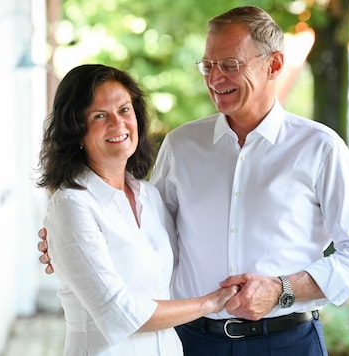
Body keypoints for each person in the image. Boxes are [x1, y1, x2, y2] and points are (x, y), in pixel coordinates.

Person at [38, 6, 349, 355]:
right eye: (208, 66)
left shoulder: (319, 148)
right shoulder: (181, 146)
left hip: (287, 341)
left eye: (230, 65)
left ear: (274, 65)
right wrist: (67, 246)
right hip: (192, 342)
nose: (215, 79)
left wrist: (282, 289)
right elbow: (143, 236)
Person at [36, 63, 238, 356]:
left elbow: (182, 269)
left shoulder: (151, 197)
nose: (117, 124)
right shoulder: (72, 205)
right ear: (76, 130)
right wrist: (211, 302)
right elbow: (119, 314)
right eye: (99, 115)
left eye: (124, 110)